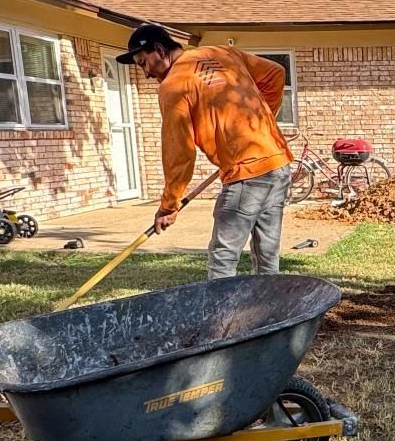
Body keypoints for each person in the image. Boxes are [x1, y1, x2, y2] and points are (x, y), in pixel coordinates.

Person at [118, 23, 294, 278]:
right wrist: (260, 124)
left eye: (144, 63)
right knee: (267, 254)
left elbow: (178, 152)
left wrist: (168, 206)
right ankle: (272, 314)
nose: (145, 73)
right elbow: (275, 74)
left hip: (246, 175)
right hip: (277, 164)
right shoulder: (221, 53)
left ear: (159, 49)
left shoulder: (174, 86)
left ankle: (219, 317)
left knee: (223, 258)